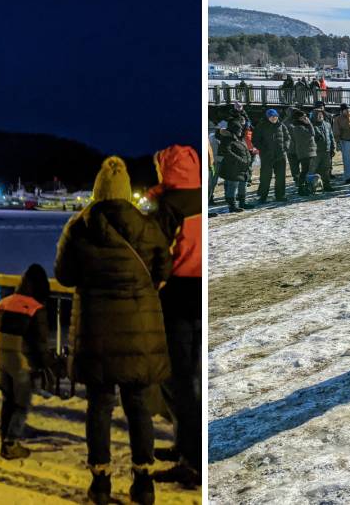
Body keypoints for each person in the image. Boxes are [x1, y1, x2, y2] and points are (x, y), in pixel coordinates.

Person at [54, 156, 171, 505]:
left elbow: (64, 275)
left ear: (97, 191)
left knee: (99, 406)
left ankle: (101, 481)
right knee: (138, 405)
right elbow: (163, 269)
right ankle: (144, 480)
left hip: (95, 330)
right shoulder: (147, 226)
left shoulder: (79, 228)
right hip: (139, 328)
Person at [148, 145, 202, 487]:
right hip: (198, 294)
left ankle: (192, 460)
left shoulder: (169, 207)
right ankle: (184, 444)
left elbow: (158, 254)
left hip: (177, 296)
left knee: (178, 379)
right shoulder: (198, 197)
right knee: (188, 377)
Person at [0, 264, 53, 460]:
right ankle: (11, 442)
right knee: (22, 403)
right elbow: (39, 343)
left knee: (8, 400)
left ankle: (4, 439)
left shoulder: (3, 302)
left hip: (1, 356)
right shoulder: (35, 308)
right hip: (20, 360)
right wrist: (45, 365)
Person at [253, 109, 291, 203]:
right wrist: (264, 149)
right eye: (271, 116)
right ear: (267, 117)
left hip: (280, 155)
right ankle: (263, 197)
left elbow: (288, 137)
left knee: (281, 177)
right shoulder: (261, 126)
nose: (274, 118)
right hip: (267, 156)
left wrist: (285, 147)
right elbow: (255, 140)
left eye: (275, 116)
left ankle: (280, 195)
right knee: (265, 177)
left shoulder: (281, 125)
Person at [216, 122, 251, 213]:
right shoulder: (227, 139)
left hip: (242, 167)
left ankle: (242, 203)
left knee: (243, 184)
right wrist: (240, 160)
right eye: (239, 130)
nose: (240, 131)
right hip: (233, 167)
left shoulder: (238, 138)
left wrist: (248, 159)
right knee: (233, 185)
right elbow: (226, 152)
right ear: (234, 130)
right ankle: (232, 206)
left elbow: (245, 150)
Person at [288, 110, 318, 196]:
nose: (306, 118)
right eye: (304, 117)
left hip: (309, 151)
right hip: (304, 152)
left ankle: (305, 187)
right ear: (299, 118)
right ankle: (301, 188)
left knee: (307, 171)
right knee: (305, 171)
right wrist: (309, 124)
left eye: (306, 116)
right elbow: (311, 134)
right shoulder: (297, 127)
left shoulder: (302, 126)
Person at [311, 107, 336, 193]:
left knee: (326, 169)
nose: (320, 116)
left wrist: (333, 148)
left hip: (327, 151)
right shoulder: (311, 125)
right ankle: (312, 187)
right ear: (314, 116)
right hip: (315, 152)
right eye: (318, 115)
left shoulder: (327, 124)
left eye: (321, 115)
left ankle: (327, 185)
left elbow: (331, 137)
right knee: (314, 170)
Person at [333, 104, 350, 183]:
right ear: (342, 111)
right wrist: (338, 141)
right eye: (346, 110)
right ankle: (348, 177)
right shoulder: (338, 119)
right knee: (347, 160)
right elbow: (336, 131)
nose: (348, 111)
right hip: (345, 141)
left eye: (349, 109)